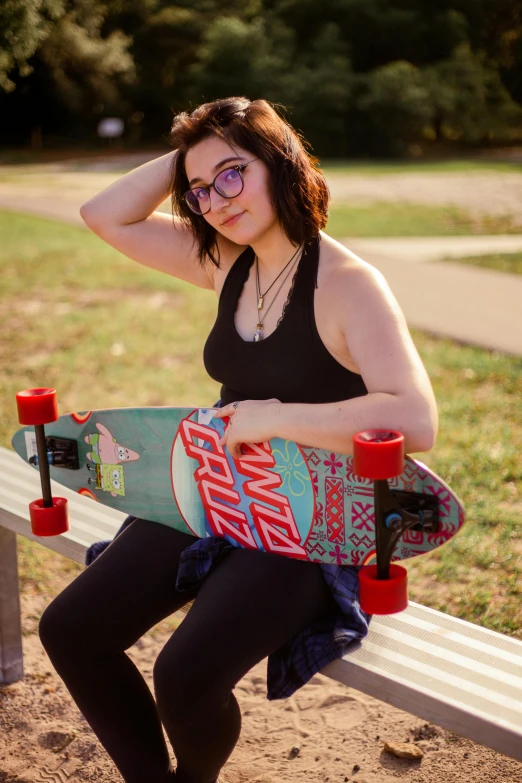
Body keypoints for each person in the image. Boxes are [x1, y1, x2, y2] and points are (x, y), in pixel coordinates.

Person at [38, 96, 438, 783]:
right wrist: (198, 145)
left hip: (310, 520)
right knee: (71, 629)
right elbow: (103, 214)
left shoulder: (348, 284)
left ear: (278, 159)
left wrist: (276, 415)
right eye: (198, 190)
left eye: (233, 173)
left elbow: (416, 419)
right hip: (219, 493)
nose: (215, 200)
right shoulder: (229, 263)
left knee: (184, 673)